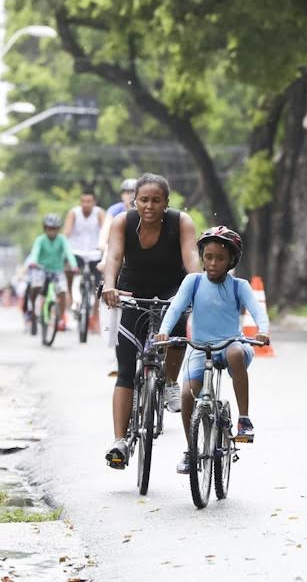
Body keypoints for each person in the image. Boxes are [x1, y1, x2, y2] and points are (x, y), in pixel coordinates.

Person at [99, 174, 199, 469]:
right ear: (134, 201)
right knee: (126, 368)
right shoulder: (123, 223)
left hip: (171, 291)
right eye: (144, 200)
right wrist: (109, 286)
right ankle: (119, 442)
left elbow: (191, 256)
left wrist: (196, 288)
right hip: (131, 292)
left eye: (157, 200)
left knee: (179, 322)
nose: (150, 206)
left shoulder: (181, 222)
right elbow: (114, 257)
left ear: (167, 203)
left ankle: (169, 381)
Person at [153, 226, 270, 473]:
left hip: (231, 344)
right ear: (202, 258)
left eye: (220, 258)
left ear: (231, 261)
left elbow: (258, 311)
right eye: (208, 257)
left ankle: (244, 420)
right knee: (186, 395)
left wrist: (264, 330)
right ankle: (191, 451)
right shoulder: (193, 282)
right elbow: (175, 309)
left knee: (236, 353)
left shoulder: (239, 286)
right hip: (200, 347)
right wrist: (164, 330)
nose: (213, 263)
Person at [24, 213, 78, 328]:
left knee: (62, 292)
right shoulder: (40, 240)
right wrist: (33, 262)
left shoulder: (62, 239)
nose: (52, 231)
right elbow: (35, 252)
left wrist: (74, 265)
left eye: (55, 229)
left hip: (57, 271)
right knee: (36, 286)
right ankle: (33, 308)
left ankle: (60, 317)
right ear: (45, 228)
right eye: (49, 228)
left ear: (58, 229)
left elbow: (68, 252)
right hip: (40, 269)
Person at [64, 190, 106, 308]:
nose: (85, 204)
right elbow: (66, 232)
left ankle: (95, 314)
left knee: (100, 284)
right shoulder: (73, 213)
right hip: (76, 252)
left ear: (94, 202)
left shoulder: (100, 213)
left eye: (89, 201)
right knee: (68, 270)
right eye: (83, 201)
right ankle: (71, 298)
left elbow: (105, 230)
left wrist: (104, 245)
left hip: (95, 253)